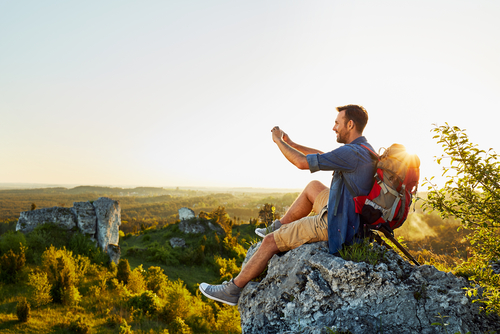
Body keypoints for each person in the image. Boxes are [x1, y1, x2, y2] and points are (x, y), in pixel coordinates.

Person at [199, 104, 377, 306]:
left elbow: (302, 163)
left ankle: (232, 290)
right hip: (349, 212)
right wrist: (291, 143)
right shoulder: (363, 150)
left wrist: (277, 142)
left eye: (337, 123)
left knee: (269, 242)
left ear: (350, 124)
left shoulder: (352, 153)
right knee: (314, 187)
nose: (334, 127)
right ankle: (280, 225)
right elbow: (321, 155)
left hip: (336, 223)